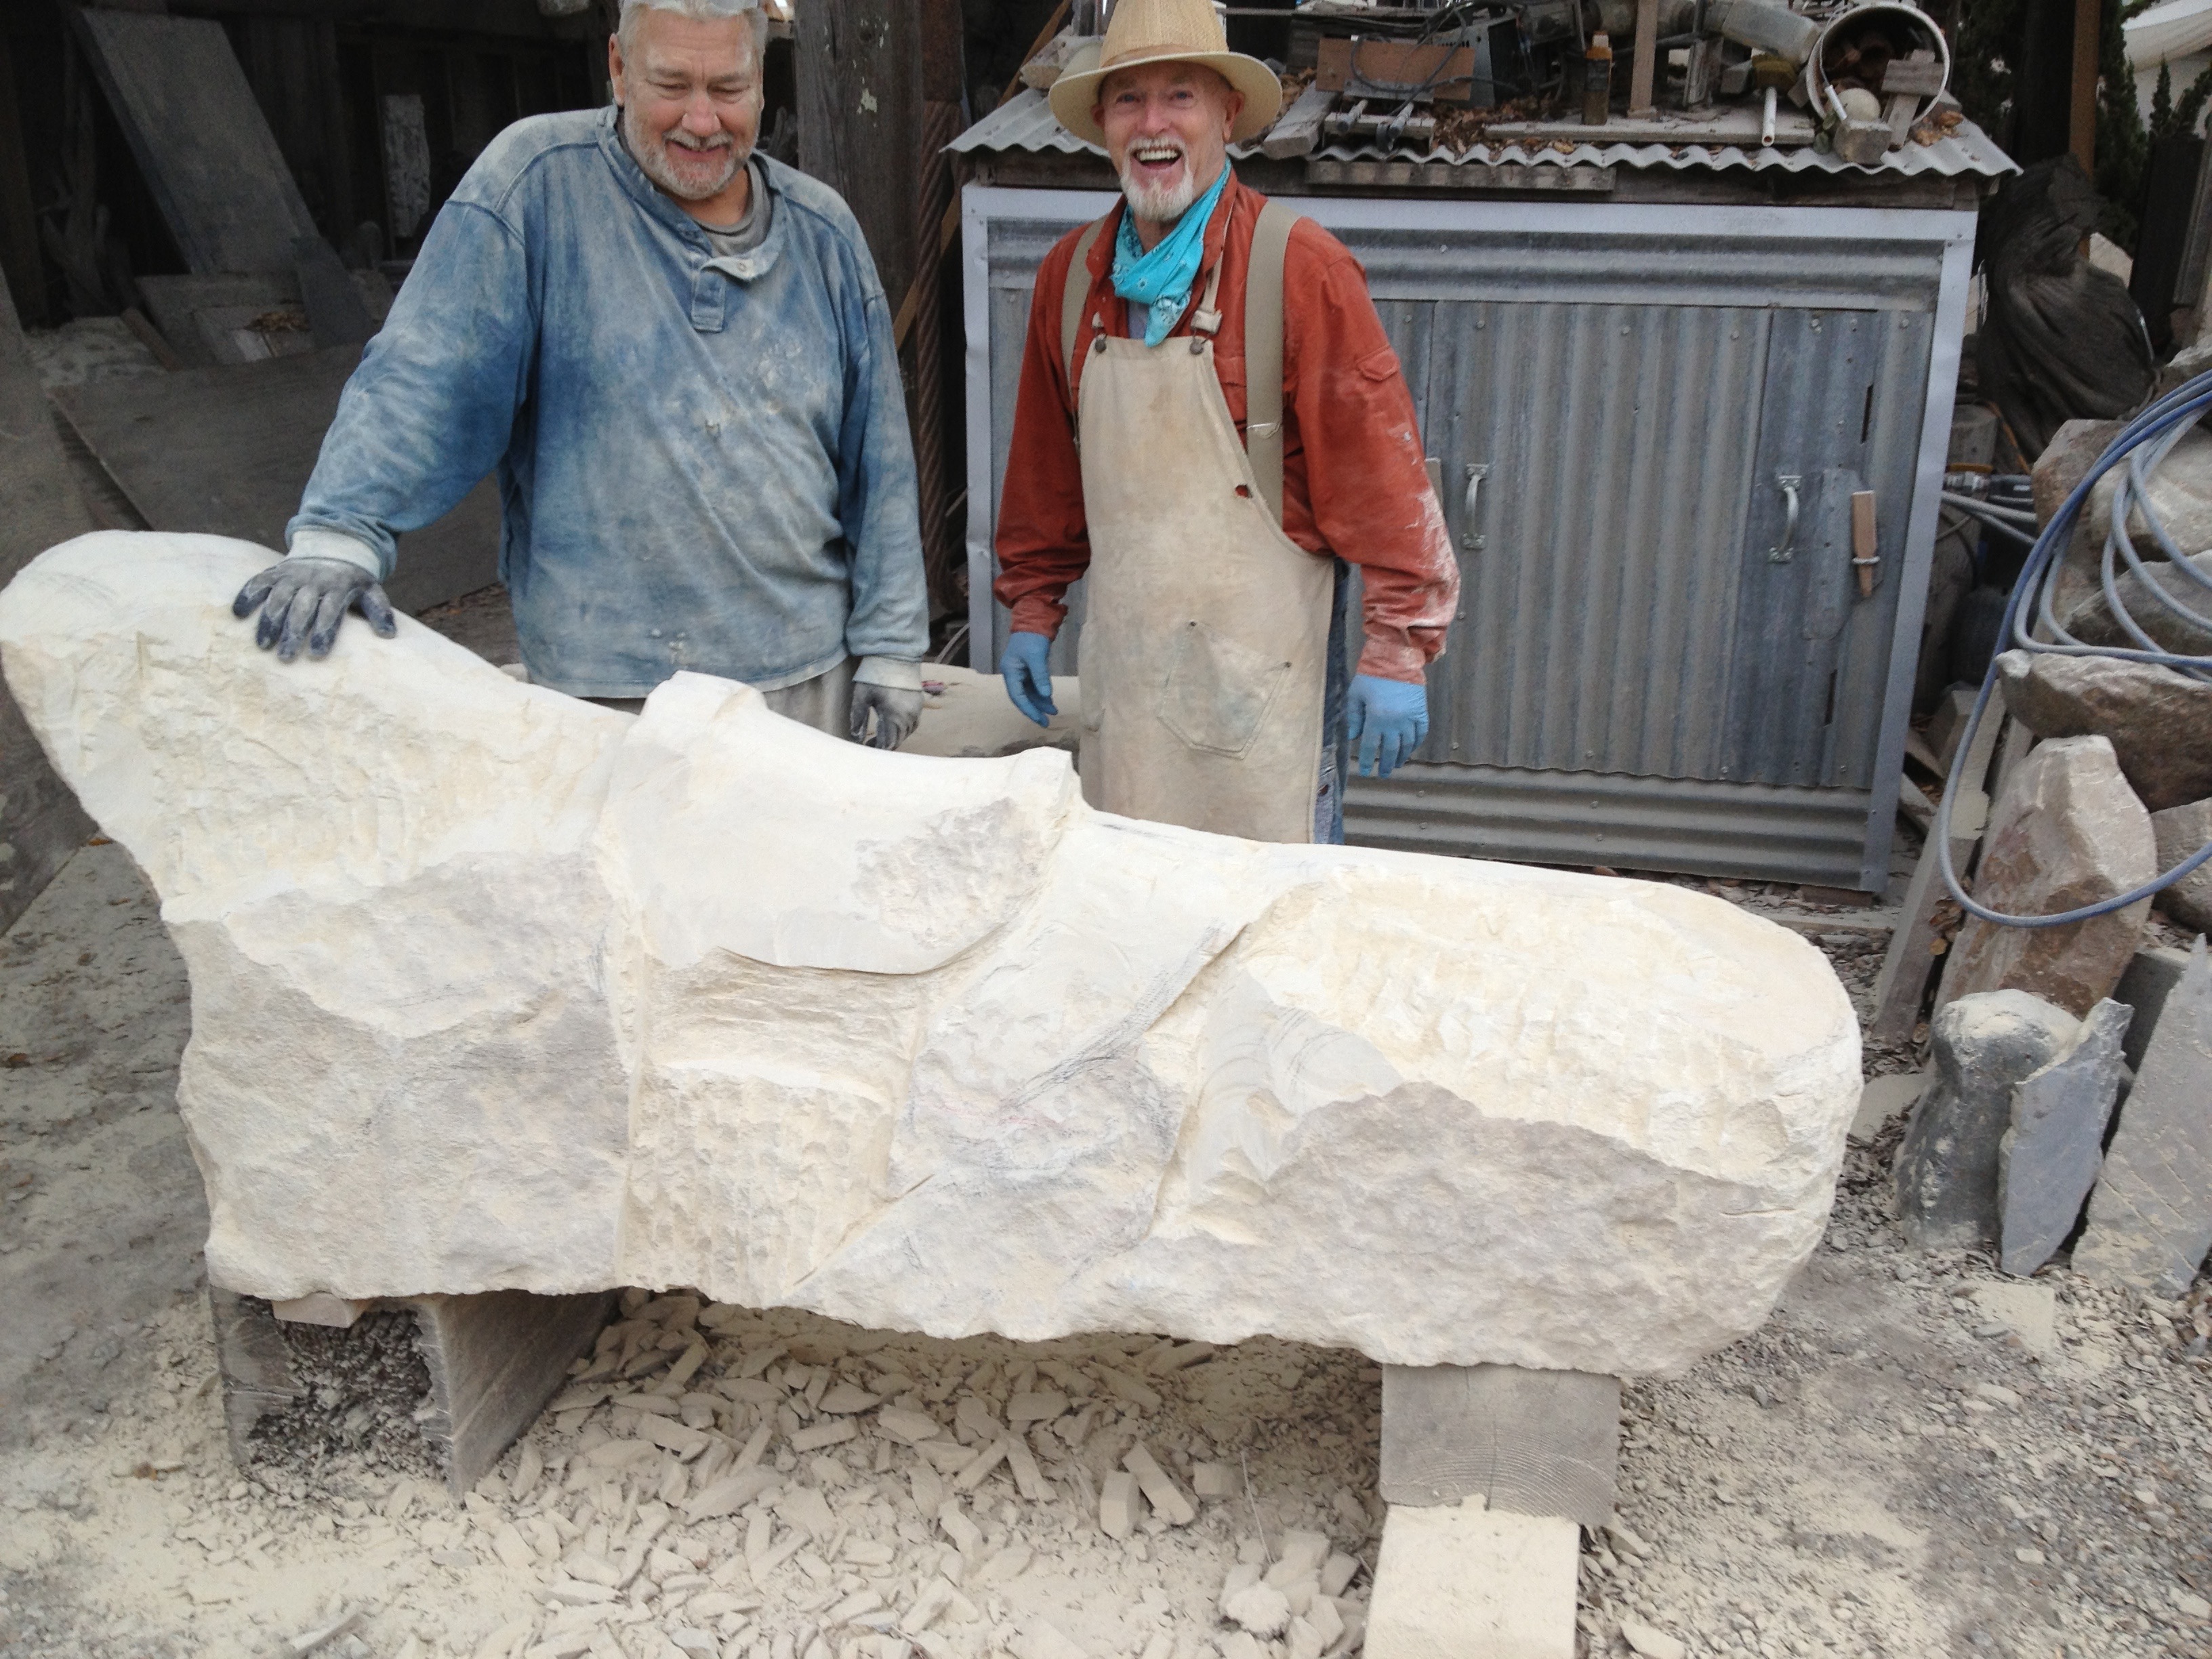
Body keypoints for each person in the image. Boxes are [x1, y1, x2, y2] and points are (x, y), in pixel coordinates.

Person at [231, 0, 929, 747]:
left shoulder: (822, 232)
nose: (701, 120)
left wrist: (890, 649)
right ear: (619, 69)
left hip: (802, 684)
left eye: (727, 89)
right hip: (604, 695)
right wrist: (341, 534)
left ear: (761, 82)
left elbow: (878, 457)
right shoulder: (536, 186)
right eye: (672, 85)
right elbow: (429, 374)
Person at [992, 0, 1459, 842]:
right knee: (1131, 909)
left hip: (1263, 697)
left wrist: (1398, 647)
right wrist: (1032, 607)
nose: (1154, 124)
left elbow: (1382, 479)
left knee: (1268, 927)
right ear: (1102, 122)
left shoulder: (1299, 269)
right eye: (1129, 100)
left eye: (1181, 97)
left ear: (1227, 115)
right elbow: (1044, 481)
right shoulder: (1070, 282)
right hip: (1128, 692)